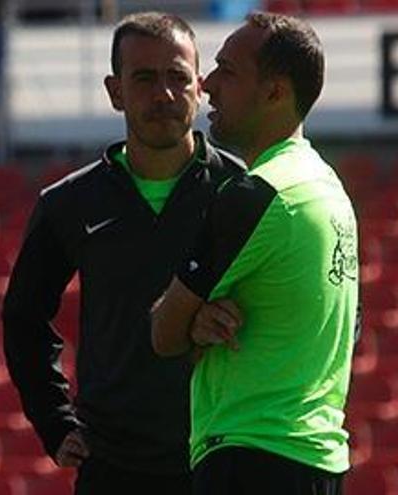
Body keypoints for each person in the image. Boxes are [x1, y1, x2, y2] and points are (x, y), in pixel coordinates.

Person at [1, 12, 245, 494]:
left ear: (199, 87)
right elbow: (23, 318)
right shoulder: (68, 203)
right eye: (145, 78)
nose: (164, 94)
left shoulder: (243, 190)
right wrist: (54, 419)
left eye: (178, 77)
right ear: (115, 91)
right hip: (113, 467)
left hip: (223, 459)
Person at [151, 12, 357, 494]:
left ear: (275, 92)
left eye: (228, 70)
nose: (207, 84)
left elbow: (163, 332)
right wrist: (197, 322)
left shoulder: (256, 194)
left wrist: (190, 322)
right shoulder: (330, 192)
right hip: (317, 460)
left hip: (250, 458)